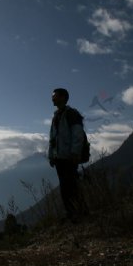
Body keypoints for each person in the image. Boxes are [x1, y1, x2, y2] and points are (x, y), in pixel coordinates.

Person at [48, 88, 88, 224]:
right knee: (66, 187)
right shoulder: (56, 116)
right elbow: (52, 139)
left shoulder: (71, 114)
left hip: (69, 158)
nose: (53, 98)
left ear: (64, 98)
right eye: (53, 97)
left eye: (55, 96)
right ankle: (72, 213)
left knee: (71, 186)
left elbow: (78, 134)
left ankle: (79, 213)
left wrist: (75, 153)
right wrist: (51, 156)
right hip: (59, 158)